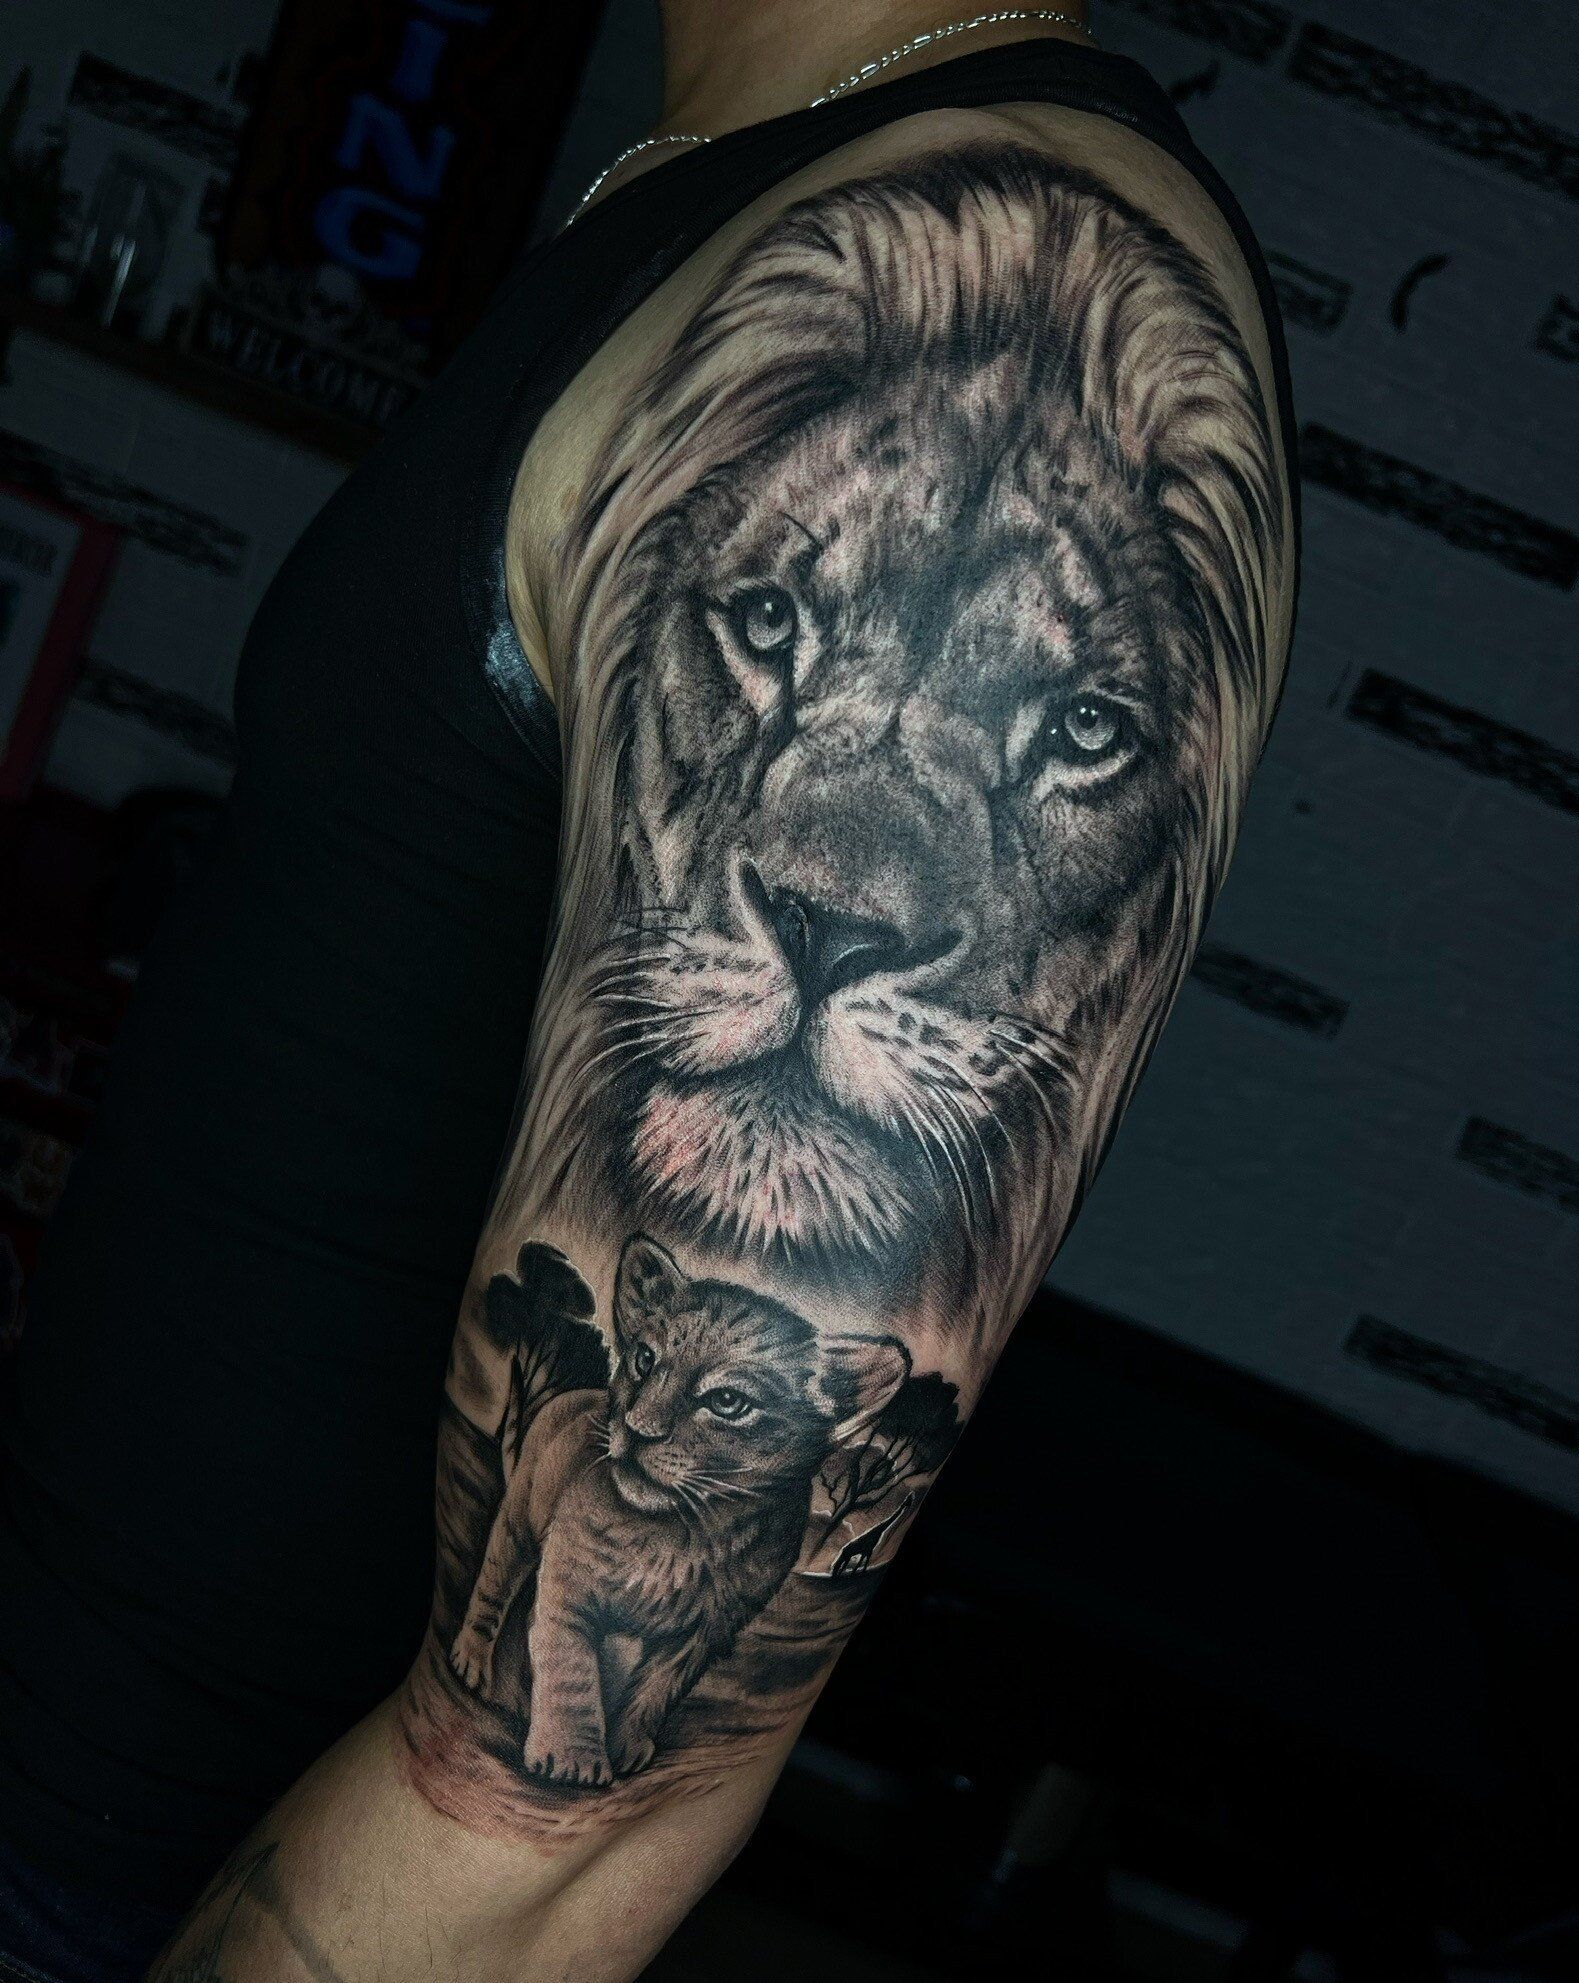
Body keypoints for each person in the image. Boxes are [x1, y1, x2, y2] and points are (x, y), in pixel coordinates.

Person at [0, 4, 1298, 1977]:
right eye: (766, 622)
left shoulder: (1041, 268)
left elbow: (556, 1806)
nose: (846, 885)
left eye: (1065, 727)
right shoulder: (755, 167)